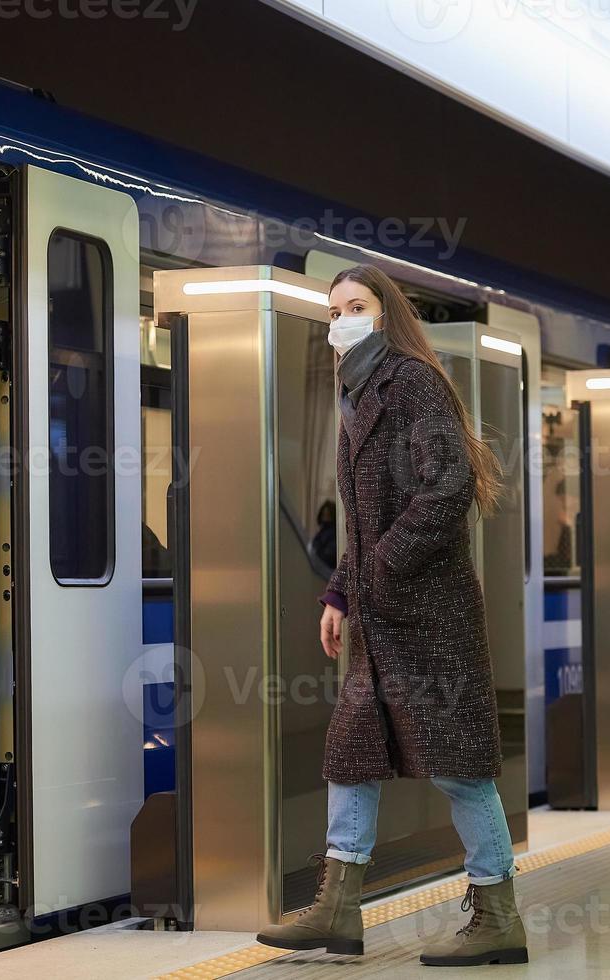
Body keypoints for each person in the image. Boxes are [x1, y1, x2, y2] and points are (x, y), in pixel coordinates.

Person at [255, 264, 527, 967]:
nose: (342, 317)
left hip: (431, 614)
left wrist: (377, 572)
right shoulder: (358, 394)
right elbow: (361, 519)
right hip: (381, 618)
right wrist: (342, 594)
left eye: (357, 305)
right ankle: (339, 909)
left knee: (461, 768)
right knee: (351, 752)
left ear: (385, 315)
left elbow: (449, 487)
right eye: (334, 308)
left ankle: (498, 915)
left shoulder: (411, 381)